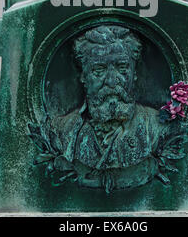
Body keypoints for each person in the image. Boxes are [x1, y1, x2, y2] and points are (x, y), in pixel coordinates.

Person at [49, 25, 162, 192]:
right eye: (98, 70)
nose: (111, 81)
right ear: (83, 76)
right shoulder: (61, 130)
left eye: (122, 68)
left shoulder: (157, 127)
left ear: (134, 73)